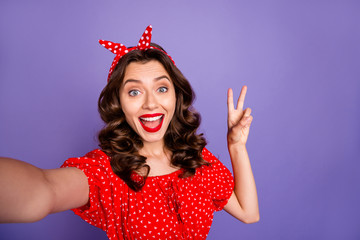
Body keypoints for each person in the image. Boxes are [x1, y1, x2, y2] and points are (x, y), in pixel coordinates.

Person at [0, 25, 259, 239]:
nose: (150, 103)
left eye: (161, 88)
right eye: (134, 91)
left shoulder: (197, 160)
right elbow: (44, 191)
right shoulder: (108, 173)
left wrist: (236, 147)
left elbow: (249, 213)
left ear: (176, 97)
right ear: (119, 103)